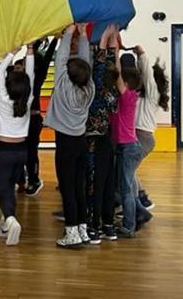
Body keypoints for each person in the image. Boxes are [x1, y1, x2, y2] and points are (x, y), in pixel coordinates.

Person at [46, 24, 95, 248]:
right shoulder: (89, 87)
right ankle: (82, 229)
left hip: (65, 143)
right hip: (81, 141)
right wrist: (83, 35)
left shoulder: (63, 86)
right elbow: (86, 62)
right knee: (79, 186)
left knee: (67, 188)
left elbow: (62, 57)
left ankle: (72, 233)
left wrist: (67, 35)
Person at [0, 45, 34, 246]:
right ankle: (9, 223)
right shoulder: (27, 100)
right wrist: (30, 52)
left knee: (2, 188)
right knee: (11, 187)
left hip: (5, 151)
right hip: (22, 152)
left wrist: (11, 52)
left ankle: (10, 218)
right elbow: (31, 76)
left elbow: (0, 72)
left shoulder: (3, 99)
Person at [111, 37, 152, 238]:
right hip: (126, 146)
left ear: (126, 83)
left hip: (129, 147)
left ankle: (128, 226)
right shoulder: (131, 95)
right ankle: (141, 213)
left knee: (126, 189)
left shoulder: (128, 96)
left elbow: (117, 74)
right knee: (123, 186)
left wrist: (115, 50)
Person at [83, 25, 119, 244]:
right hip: (107, 139)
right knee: (107, 182)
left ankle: (93, 226)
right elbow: (110, 68)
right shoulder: (113, 92)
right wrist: (113, 45)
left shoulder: (96, 92)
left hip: (92, 142)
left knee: (93, 183)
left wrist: (104, 40)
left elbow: (98, 69)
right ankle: (108, 224)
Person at [134, 45, 169, 212]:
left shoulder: (152, 92)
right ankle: (141, 198)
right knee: (127, 170)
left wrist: (142, 55)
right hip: (140, 137)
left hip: (143, 138)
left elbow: (147, 75)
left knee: (126, 171)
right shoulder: (143, 96)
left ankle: (141, 202)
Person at [23, 38, 58, 196]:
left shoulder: (38, 75)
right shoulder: (23, 77)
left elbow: (47, 55)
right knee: (23, 150)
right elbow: (32, 53)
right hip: (24, 118)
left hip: (34, 119)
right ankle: (24, 177)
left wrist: (55, 39)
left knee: (31, 152)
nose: (24, 62)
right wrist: (37, 40)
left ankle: (34, 179)